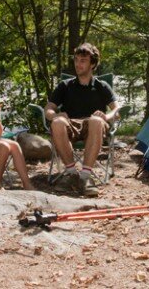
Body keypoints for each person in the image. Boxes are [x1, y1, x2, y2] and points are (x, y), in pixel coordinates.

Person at [45, 43, 119, 197]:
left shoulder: (101, 86)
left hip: (94, 126)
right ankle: (72, 175)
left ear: (92, 64)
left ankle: (85, 177)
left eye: (83, 60)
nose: (78, 64)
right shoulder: (65, 85)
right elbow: (48, 110)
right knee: (57, 122)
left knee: (96, 121)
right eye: (76, 60)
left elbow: (117, 110)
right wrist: (55, 115)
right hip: (71, 124)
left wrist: (106, 117)